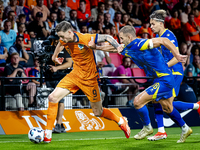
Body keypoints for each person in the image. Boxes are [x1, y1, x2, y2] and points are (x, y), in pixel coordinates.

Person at [89, 25, 194, 143]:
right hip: (161, 79)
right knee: (168, 107)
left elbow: (164, 40)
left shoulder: (140, 43)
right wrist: (97, 47)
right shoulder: (129, 47)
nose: (120, 41)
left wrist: (177, 55)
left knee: (137, 102)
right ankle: (185, 128)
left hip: (165, 79)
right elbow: (115, 48)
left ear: (129, 37)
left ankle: (147, 127)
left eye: (122, 38)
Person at [43, 21, 130, 143]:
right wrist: (54, 57)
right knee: (52, 97)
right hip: (75, 75)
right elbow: (60, 44)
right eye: (59, 37)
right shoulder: (65, 39)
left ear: (70, 32)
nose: (61, 39)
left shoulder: (85, 38)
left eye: (62, 36)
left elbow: (108, 37)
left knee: (98, 112)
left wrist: (117, 46)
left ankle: (121, 121)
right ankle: (47, 134)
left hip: (90, 79)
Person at [148, 10, 200, 141]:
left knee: (165, 104)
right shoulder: (158, 38)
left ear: (161, 23)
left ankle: (189, 118)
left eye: (153, 24)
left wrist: (163, 68)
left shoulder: (168, 36)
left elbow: (177, 58)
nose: (151, 27)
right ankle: (163, 130)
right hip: (166, 74)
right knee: (157, 100)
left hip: (174, 73)